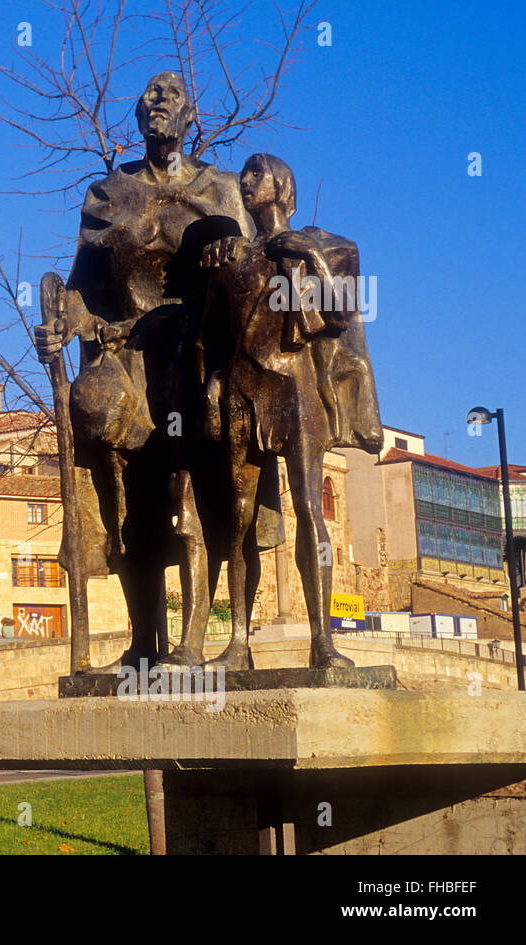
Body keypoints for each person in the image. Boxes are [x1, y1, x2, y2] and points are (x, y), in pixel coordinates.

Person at [34, 71, 257, 668]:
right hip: (129, 351)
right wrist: (64, 322)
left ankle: (206, 641)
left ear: (192, 120)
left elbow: (253, 270)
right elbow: (82, 289)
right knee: (105, 433)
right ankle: (140, 641)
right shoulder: (107, 194)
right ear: (137, 116)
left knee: (200, 488)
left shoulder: (224, 189)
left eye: (173, 95)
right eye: (150, 96)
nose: (159, 102)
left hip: (195, 350)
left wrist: (233, 252)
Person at [199, 153, 381, 668]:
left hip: (296, 385)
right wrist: (212, 378)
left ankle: (322, 640)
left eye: (258, 172)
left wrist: (306, 252)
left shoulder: (321, 246)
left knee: (307, 506)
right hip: (242, 386)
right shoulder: (229, 256)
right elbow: (208, 336)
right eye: (245, 174)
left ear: (282, 186)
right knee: (237, 520)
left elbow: (342, 315)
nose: (246, 179)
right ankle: (238, 642)